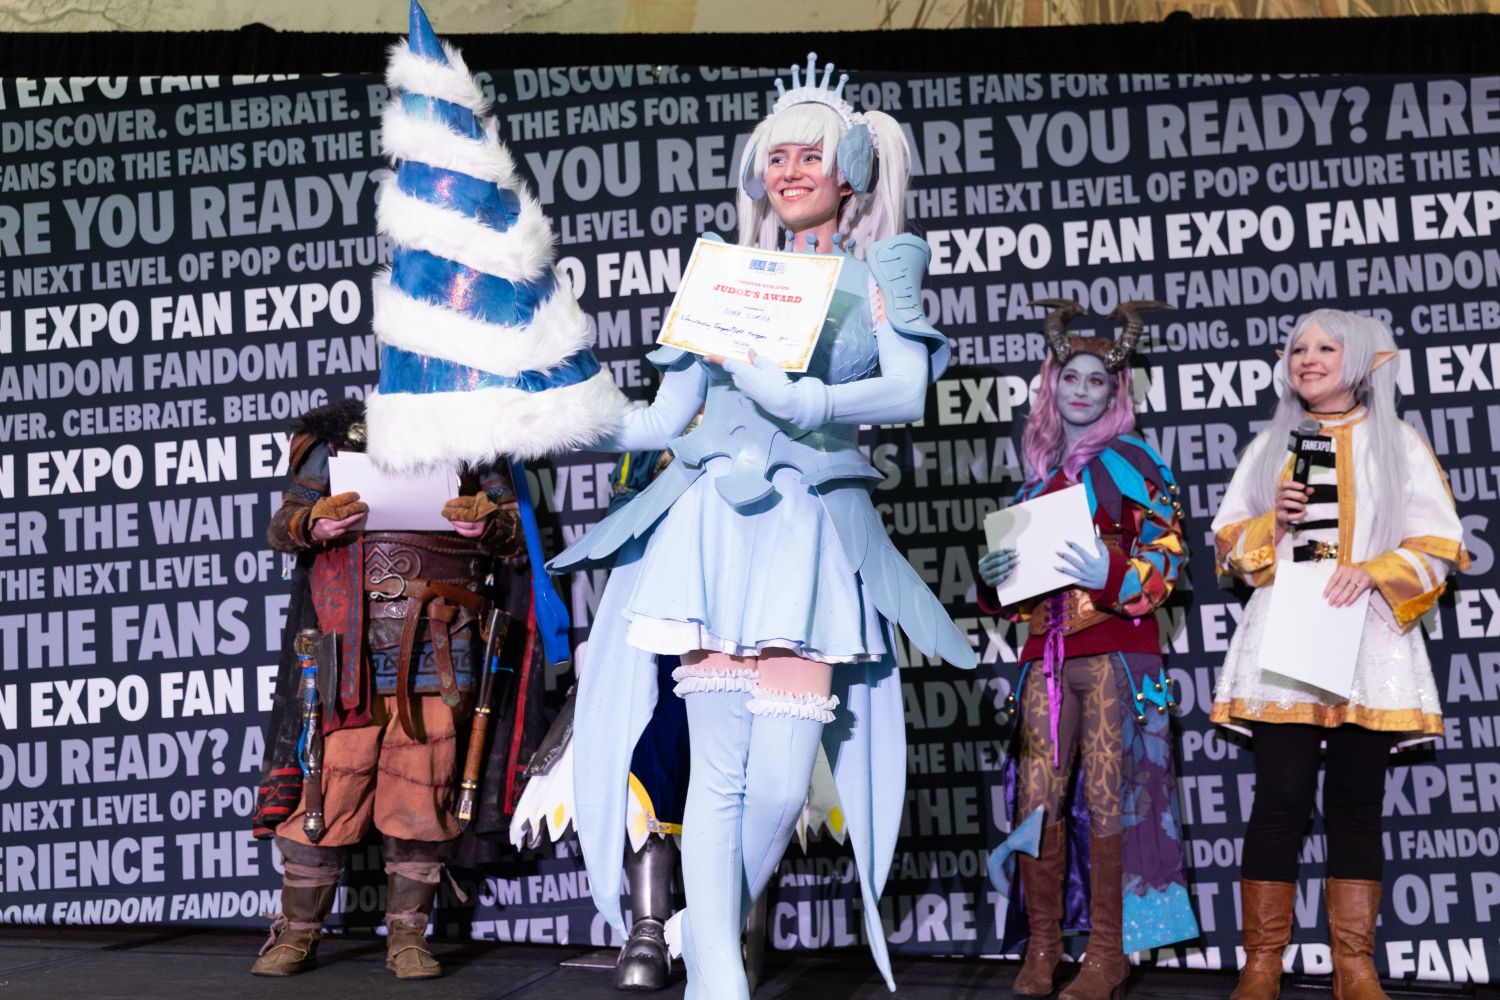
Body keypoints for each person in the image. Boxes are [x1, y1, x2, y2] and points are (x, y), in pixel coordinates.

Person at [548, 53, 976, 999]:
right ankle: (718, 984)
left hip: (806, 535)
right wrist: (564, 414)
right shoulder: (722, 274)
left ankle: (698, 936)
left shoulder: (882, 270)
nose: (790, 172)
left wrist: (805, 396)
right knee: (716, 778)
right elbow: (664, 419)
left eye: (809, 156)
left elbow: (908, 389)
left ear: (849, 170)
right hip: (712, 531)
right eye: (776, 157)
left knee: (780, 785)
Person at [1209, 310, 1468, 1000]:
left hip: (1368, 637)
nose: (1308, 358)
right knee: (1281, 799)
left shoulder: (1399, 444)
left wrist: (1376, 570)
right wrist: (1274, 522)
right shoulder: (1271, 446)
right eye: (1298, 348)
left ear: (1358, 361)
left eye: (1326, 347)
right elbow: (1229, 545)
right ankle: (1261, 965)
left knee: (1357, 803)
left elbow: (1440, 543)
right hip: (1290, 635)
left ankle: (1354, 966)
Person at [250, 398, 531, 980]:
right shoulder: (335, 438)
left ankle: (408, 938)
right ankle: (296, 933)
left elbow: (515, 537)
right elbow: (284, 525)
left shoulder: (476, 436)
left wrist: (486, 524)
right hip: (347, 645)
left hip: (439, 643)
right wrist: (314, 523)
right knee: (327, 790)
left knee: (422, 791)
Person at [977, 300, 1198, 1000]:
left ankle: (1108, 954)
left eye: (1095, 380)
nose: (1080, 390)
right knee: (1036, 801)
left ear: (1115, 391)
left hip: (1116, 656)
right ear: (1052, 385)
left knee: (1112, 799)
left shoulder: (1137, 464)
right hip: (1042, 661)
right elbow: (1015, 599)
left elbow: (1169, 559)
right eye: (1069, 377)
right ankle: (1044, 946)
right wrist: (994, 582)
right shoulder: (1035, 479)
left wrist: (1109, 570)